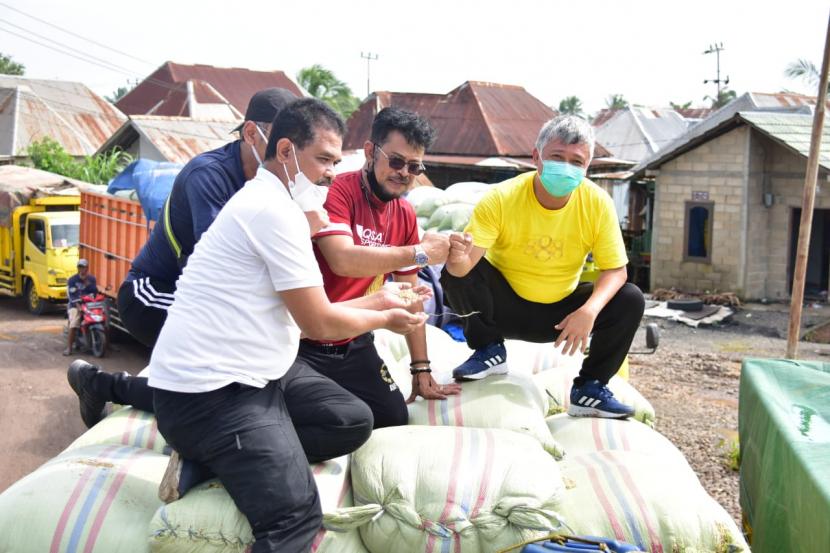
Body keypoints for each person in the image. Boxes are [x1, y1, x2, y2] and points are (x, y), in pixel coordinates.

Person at [149, 98, 426, 553]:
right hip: (210, 395)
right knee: (297, 518)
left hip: (262, 372)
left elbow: (312, 309)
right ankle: (219, 450)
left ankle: (217, 461)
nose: (331, 173)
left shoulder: (284, 207)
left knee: (354, 420)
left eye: (337, 162)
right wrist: (386, 314)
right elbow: (318, 321)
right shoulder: (271, 212)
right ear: (285, 151)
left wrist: (380, 299)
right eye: (322, 160)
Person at [441, 115, 645, 419]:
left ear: (588, 167)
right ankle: (488, 350)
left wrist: (588, 311)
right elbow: (466, 266)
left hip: (560, 317)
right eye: (557, 157)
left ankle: (590, 387)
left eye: (577, 161)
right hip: (501, 310)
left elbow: (616, 270)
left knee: (629, 298)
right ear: (536, 157)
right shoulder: (501, 197)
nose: (567, 167)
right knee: (454, 270)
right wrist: (455, 259)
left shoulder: (597, 203)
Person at [307, 107, 461, 428]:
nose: (404, 172)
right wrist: (419, 253)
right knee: (344, 419)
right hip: (309, 338)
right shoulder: (337, 192)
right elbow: (343, 259)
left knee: (393, 417)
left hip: (355, 340)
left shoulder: (404, 213)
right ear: (369, 152)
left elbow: (411, 294)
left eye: (414, 166)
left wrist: (421, 369)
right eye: (396, 161)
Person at [118, 87, 299, 348]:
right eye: (283, 141)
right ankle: (114, 387)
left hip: (205, 296)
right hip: (154, 291)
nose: (289, 152)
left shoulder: (280, 184)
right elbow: (223, 260)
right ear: (250, 134)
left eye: (296, 144)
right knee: (223, 332)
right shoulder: (208, 175)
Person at [64, 258, 98, 356]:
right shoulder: (72, 280)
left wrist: (88, 284)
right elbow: (71, 295)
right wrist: (77, 305)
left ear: (87, 268)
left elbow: (95, 292)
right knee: (74, 323)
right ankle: (69, 348)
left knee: (104, 320)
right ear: (78, 268)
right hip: (75, 305)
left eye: (84, 267)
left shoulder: (92, 279)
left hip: (88, 304)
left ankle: (106, 345)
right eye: (80, 267)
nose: (82, 269)